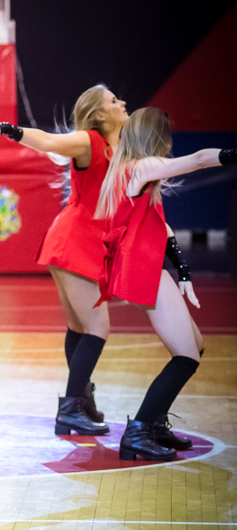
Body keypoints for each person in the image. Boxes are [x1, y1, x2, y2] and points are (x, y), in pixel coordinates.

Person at [0, 85, 126, 436]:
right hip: (76, 239)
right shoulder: (89, 140)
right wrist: (5, 129)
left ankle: (81, 400)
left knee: (80, 327)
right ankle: (72, 407)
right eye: (113, 101)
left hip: (82, 239)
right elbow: (47, 141)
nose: (122, 102)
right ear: (99, 114)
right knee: (97, 328)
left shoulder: (118, 146)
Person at [94, 107, 232, 460]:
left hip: (147, 267)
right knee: (186, 357)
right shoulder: (140, 167)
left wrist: (183, 271)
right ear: (157, 136)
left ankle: (153, 425)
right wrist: (231, 154)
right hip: (143, 269)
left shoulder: (136, 171)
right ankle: (139, 432)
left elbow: (161, 226)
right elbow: (199, 159)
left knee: (195, 346)